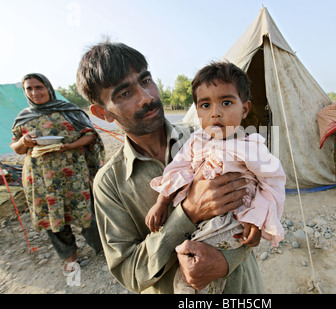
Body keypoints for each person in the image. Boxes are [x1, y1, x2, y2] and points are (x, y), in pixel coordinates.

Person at [76, 41, 265, 294]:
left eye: (145, 81)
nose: (147, 97)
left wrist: (224, 261)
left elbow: (253, 202)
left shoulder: (211, 138)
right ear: (103, 113)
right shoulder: (110, 183)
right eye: (125, 94)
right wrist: (187, 214)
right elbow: (129, 271)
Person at [146, 62, 286, 294]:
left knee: (196, 271)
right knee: (191, 271)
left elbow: (272, 183)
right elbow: (177, 167)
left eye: (227, 102)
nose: (215, 112)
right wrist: (162, 201)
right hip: (197, 222)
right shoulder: (195, 142)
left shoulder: (252, 146)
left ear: (245, 108)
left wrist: (257, 218)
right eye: (205, 105)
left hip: (234, 220)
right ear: (197, 111)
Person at [10, 73, 105, 274]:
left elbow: (90, 135)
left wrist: (70, 145)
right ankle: (69, 256)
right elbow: (16, 147)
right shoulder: (24, 117)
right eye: (29, 89)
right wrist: (23, 142)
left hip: (74, 175)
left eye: (39, 87)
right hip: (40, 179)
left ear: (49, 88)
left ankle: (103, 248)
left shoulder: (68, 111)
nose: (35, 92)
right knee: (52, 218)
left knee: (86, 212)